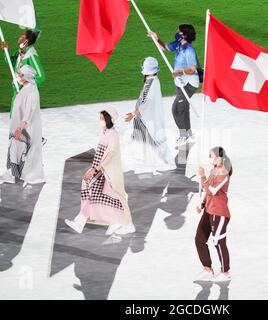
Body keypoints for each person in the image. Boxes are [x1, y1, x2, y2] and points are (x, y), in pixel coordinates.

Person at [65, 107, 135, 236]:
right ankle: (80, 220)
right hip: (101, 170)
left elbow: (110, 154)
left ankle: (127, 224)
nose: (100, 121)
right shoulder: (105, 132)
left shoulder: (113, 135)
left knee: (119, 196)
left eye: (102, 118)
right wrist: (95, 169)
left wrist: (95, 169)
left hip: (110, 172)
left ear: (109, 119)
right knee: (88, 185)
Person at [148, 24, 199, 148]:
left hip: (188, 83)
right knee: (183, 110)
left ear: (184, 35)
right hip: (180, 82)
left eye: (179, 31)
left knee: (176, 109)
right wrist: (156, 38)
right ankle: (188, 135)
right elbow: (165, 48)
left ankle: (184, 136)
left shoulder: (189, 50)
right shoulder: (178, 44)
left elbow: (192, 69)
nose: (176, 32)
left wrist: (179, 72)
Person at [0, 65, 45, 187]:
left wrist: (20, 129)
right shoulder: (27, 88)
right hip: (20, 126)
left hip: (24, 129)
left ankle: (17, 175)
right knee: (17, 150)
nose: (18, 76)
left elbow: (29, 112)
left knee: (19, 151)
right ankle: (15, 174)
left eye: (21, 74)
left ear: (26, 76)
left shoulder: (31, 91)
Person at [125, 57, 174, 167]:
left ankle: (169, 164)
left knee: (157, 141)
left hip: (148, 119)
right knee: (146, 140)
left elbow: (146, 102)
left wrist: (133, 114)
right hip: (146, 119)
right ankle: (163, 163)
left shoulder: (151, 83)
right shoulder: (152, 81)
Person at [1, 30, 46, 145]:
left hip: (25, 92)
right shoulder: (20, 52)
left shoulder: (31, 56)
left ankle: (33, 141)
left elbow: (41, 76)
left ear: (26, 41)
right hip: (17, 90)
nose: (19, 38)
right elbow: (10, 63)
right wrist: (5, 51)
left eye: (22, 36)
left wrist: (26, 85)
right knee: (16, 115)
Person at [195, 146, 233, 282]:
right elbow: (207, 191)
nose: (210, 159)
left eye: (212, 156)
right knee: (199, 239)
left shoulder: (224, 173)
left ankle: (225, 272)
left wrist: (202, 176)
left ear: (219, 157)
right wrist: (202, 204)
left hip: (219, 213)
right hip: (208, 210)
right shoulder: (214, 170)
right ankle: (207, 268)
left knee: (218, 241)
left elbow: (212, 190)